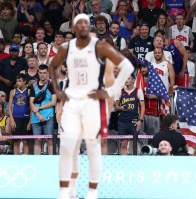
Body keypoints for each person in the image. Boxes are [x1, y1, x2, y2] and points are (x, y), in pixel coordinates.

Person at [49, 14, 134, 199]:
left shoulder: (104, 58)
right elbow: (69, 80)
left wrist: (108, 103)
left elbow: (114, 82)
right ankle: (69, 191)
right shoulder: (71, 52)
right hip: (74, 101)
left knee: (93, 146)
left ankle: (92, 191)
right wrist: (61, 104)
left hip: (97, 104)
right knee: (70, 147)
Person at [29, 64, 57, 155]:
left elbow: (53, 102)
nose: (42, 75)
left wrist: (40, 108)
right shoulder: (33, 85)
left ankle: (51, 162)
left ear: (48, 73)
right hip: (36, 117)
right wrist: (38, 114)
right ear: (38, 73)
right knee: (37, 141)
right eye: (40, 73)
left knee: (49, 141)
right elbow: (31, 103)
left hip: (48, 116)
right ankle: (37, 163)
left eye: (44, 73)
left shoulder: (52, 85)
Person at [115, 74, 145, 155]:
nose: (126, 80)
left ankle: (135, 163)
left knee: (134, 143)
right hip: (122, 121)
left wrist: (140, 120)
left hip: (134, 121)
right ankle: (124, 163)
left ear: (133, 80)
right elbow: (116, 106)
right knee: (123, 144)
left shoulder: (138, 91)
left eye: (128, 78)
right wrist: (121, 108)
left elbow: (142, 106)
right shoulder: (120, 91)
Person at [8, 74, 31, 155]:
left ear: (25, 82)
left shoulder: (28, 91)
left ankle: (26, 160)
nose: (18, 83)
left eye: (20, 81)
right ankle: (16, 161)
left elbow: (31, 108)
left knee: (25, 141)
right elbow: (9, 107)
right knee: (16, 141)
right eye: (17, 81)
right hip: (16, 119)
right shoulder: (13, 91)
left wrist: (30, 122)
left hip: (26, 118)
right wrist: (11, 119)